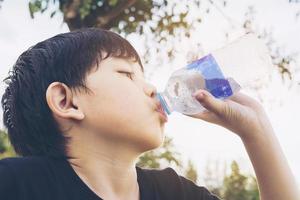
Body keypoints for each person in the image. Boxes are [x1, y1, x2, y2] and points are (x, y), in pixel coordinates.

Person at [0, 28, 298, 200]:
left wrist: (256, 131)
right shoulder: (18, 185)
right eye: (127, 74)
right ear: (66, 101)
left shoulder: (174, 192)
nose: (152, 88)